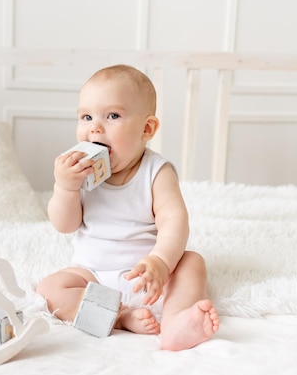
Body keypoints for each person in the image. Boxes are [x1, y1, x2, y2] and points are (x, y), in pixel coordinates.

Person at [35, 64, 219, 351]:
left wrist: (160, 261)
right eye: (86, 117)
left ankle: (175, 323)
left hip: (149, 277)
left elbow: (175, 221)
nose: (95, 127)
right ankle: (119, 316)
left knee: (192, 263)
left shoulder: (156, 171)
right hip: (93, 275)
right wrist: (65, 188)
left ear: (147, 128)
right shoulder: (82, 172)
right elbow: (65, 225)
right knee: (49, 288)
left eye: (113, 116)